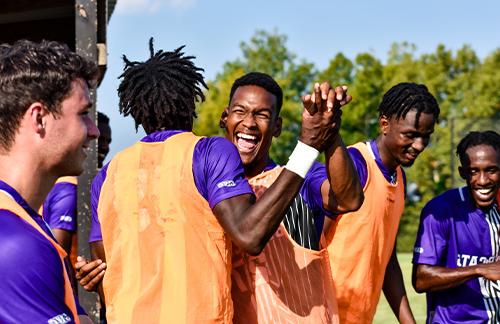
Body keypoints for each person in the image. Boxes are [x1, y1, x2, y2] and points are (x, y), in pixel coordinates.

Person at [87, 39, 340, 323]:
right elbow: (249, 236)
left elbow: (106, 270)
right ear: (190, 101)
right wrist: (307, 147)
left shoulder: (107, 175)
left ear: (136, 111)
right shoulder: (208, 152)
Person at [220, 72, 363, 323]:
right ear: (225, 118)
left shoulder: (302, 177)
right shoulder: (209, 185)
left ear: (277, 127)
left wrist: (329, 133)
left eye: (262, 114)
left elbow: (349, 199)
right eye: (240, 111)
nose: (249, 123)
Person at [324, 82, 441, 324]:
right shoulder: (355, 164)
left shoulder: (399, 178)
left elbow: (386, 258)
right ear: (384, 124)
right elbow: (312, 245)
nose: (419, 145)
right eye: (410, 135)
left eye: (425, 137)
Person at [0, 39, 99, 323]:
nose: (93, 131)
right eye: (83, 114)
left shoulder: (26, 222)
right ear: (40, 118)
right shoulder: (15, 243)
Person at [412, 130, 500, 323]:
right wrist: (480, 269)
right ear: (463, 173)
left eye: (491, 170)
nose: (483, 180)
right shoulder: (440, 210)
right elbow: (421, 279)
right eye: (474, 171)